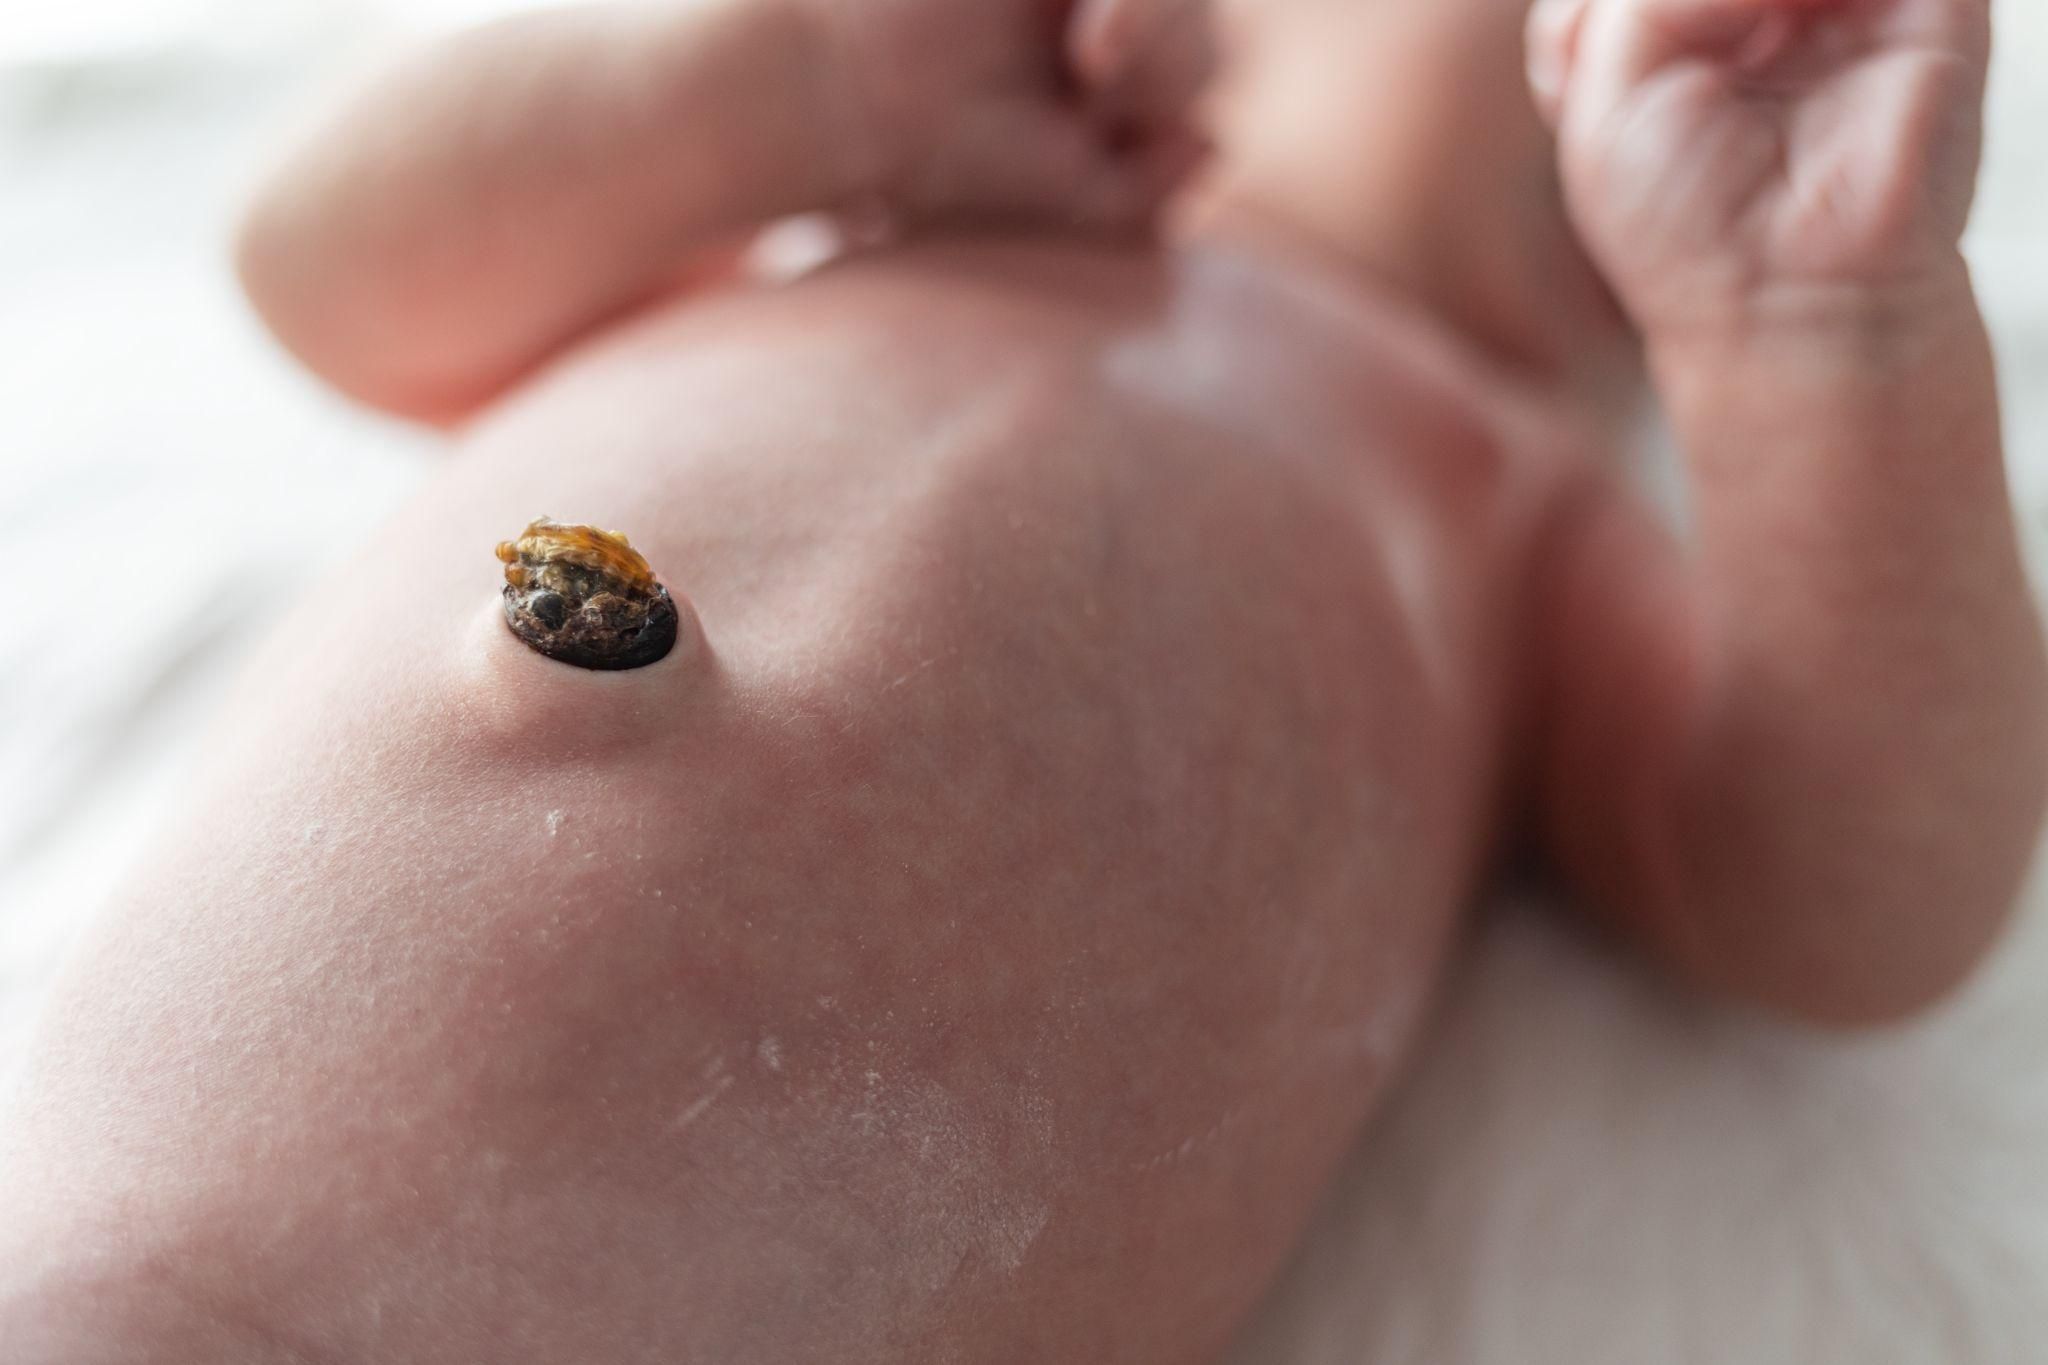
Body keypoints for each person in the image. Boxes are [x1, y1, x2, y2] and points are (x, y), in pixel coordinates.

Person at [2, 0, 2040, 1358]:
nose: (1664, 67)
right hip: (160, 1245)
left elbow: (1844, 900)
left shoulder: (1515, 510)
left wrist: (1822, 346)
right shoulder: (850, 213)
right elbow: (326, 274)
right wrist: (790, 76)